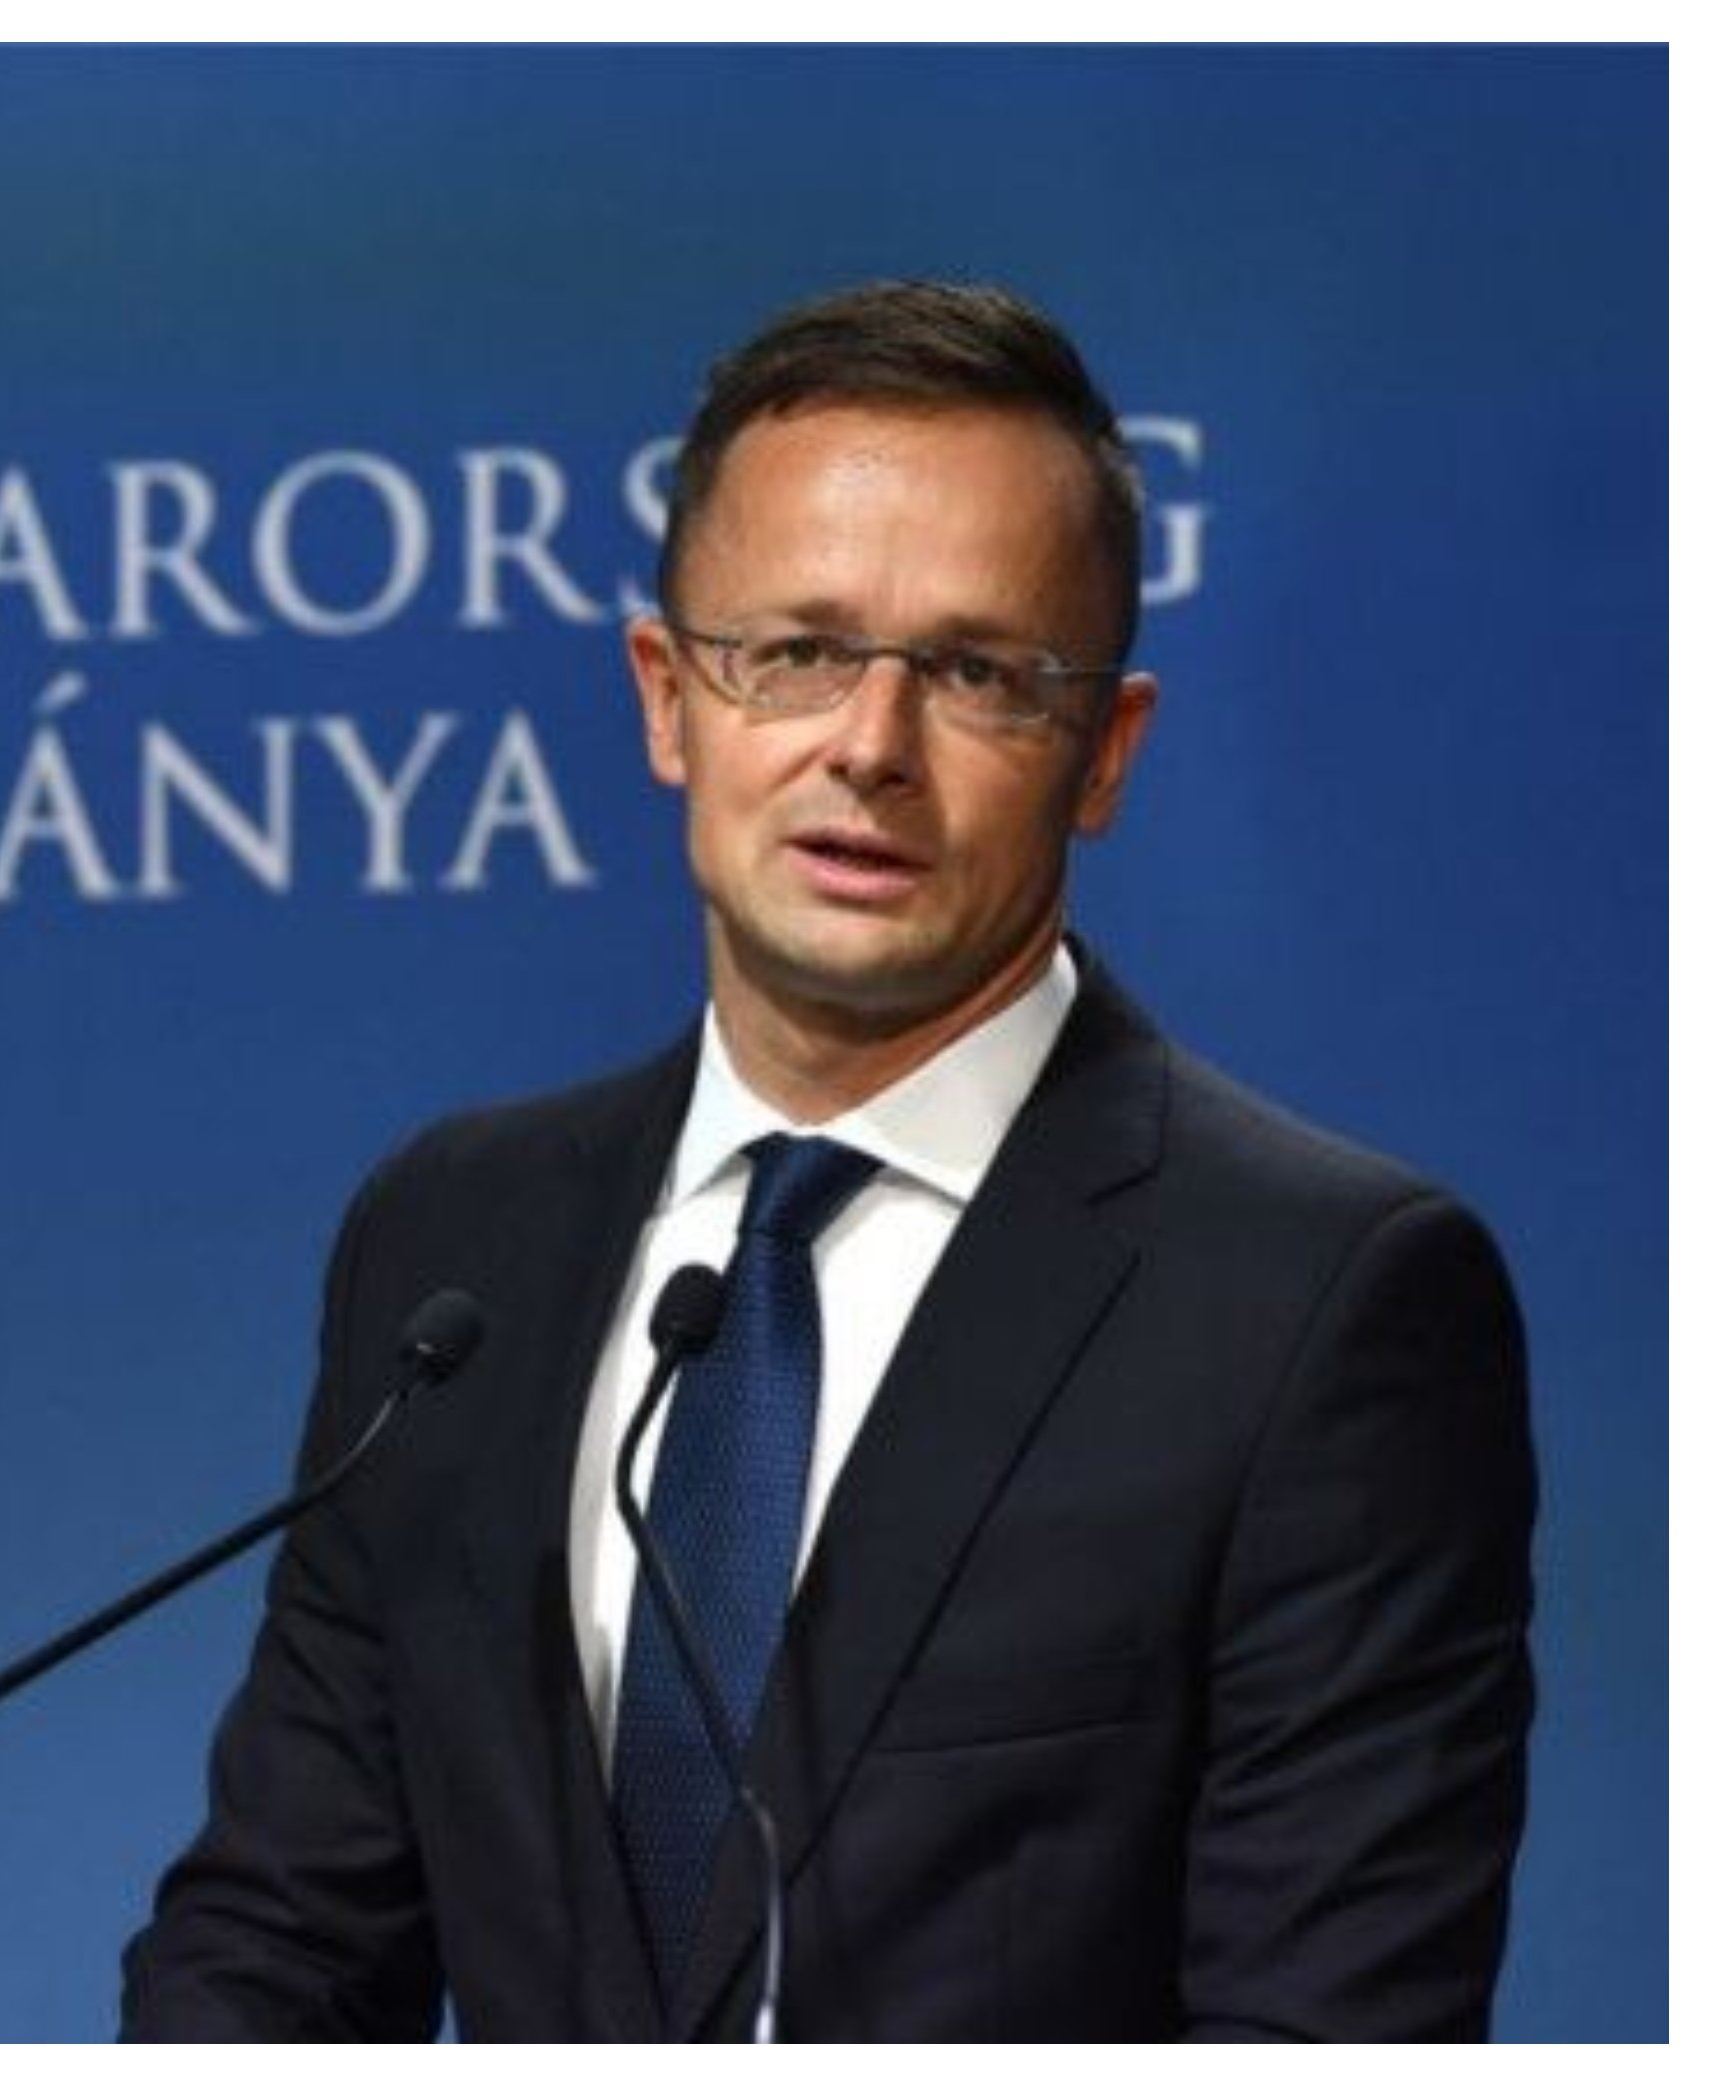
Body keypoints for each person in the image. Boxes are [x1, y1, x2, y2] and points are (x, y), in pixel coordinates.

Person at [118, 281, 1534, 2041]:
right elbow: (280, 1939)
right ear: (668, 699)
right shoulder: (455, 1244)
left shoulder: (1320, 1304)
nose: (869, 745)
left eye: (978, 673)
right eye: (794, 652)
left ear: (1104, 753)